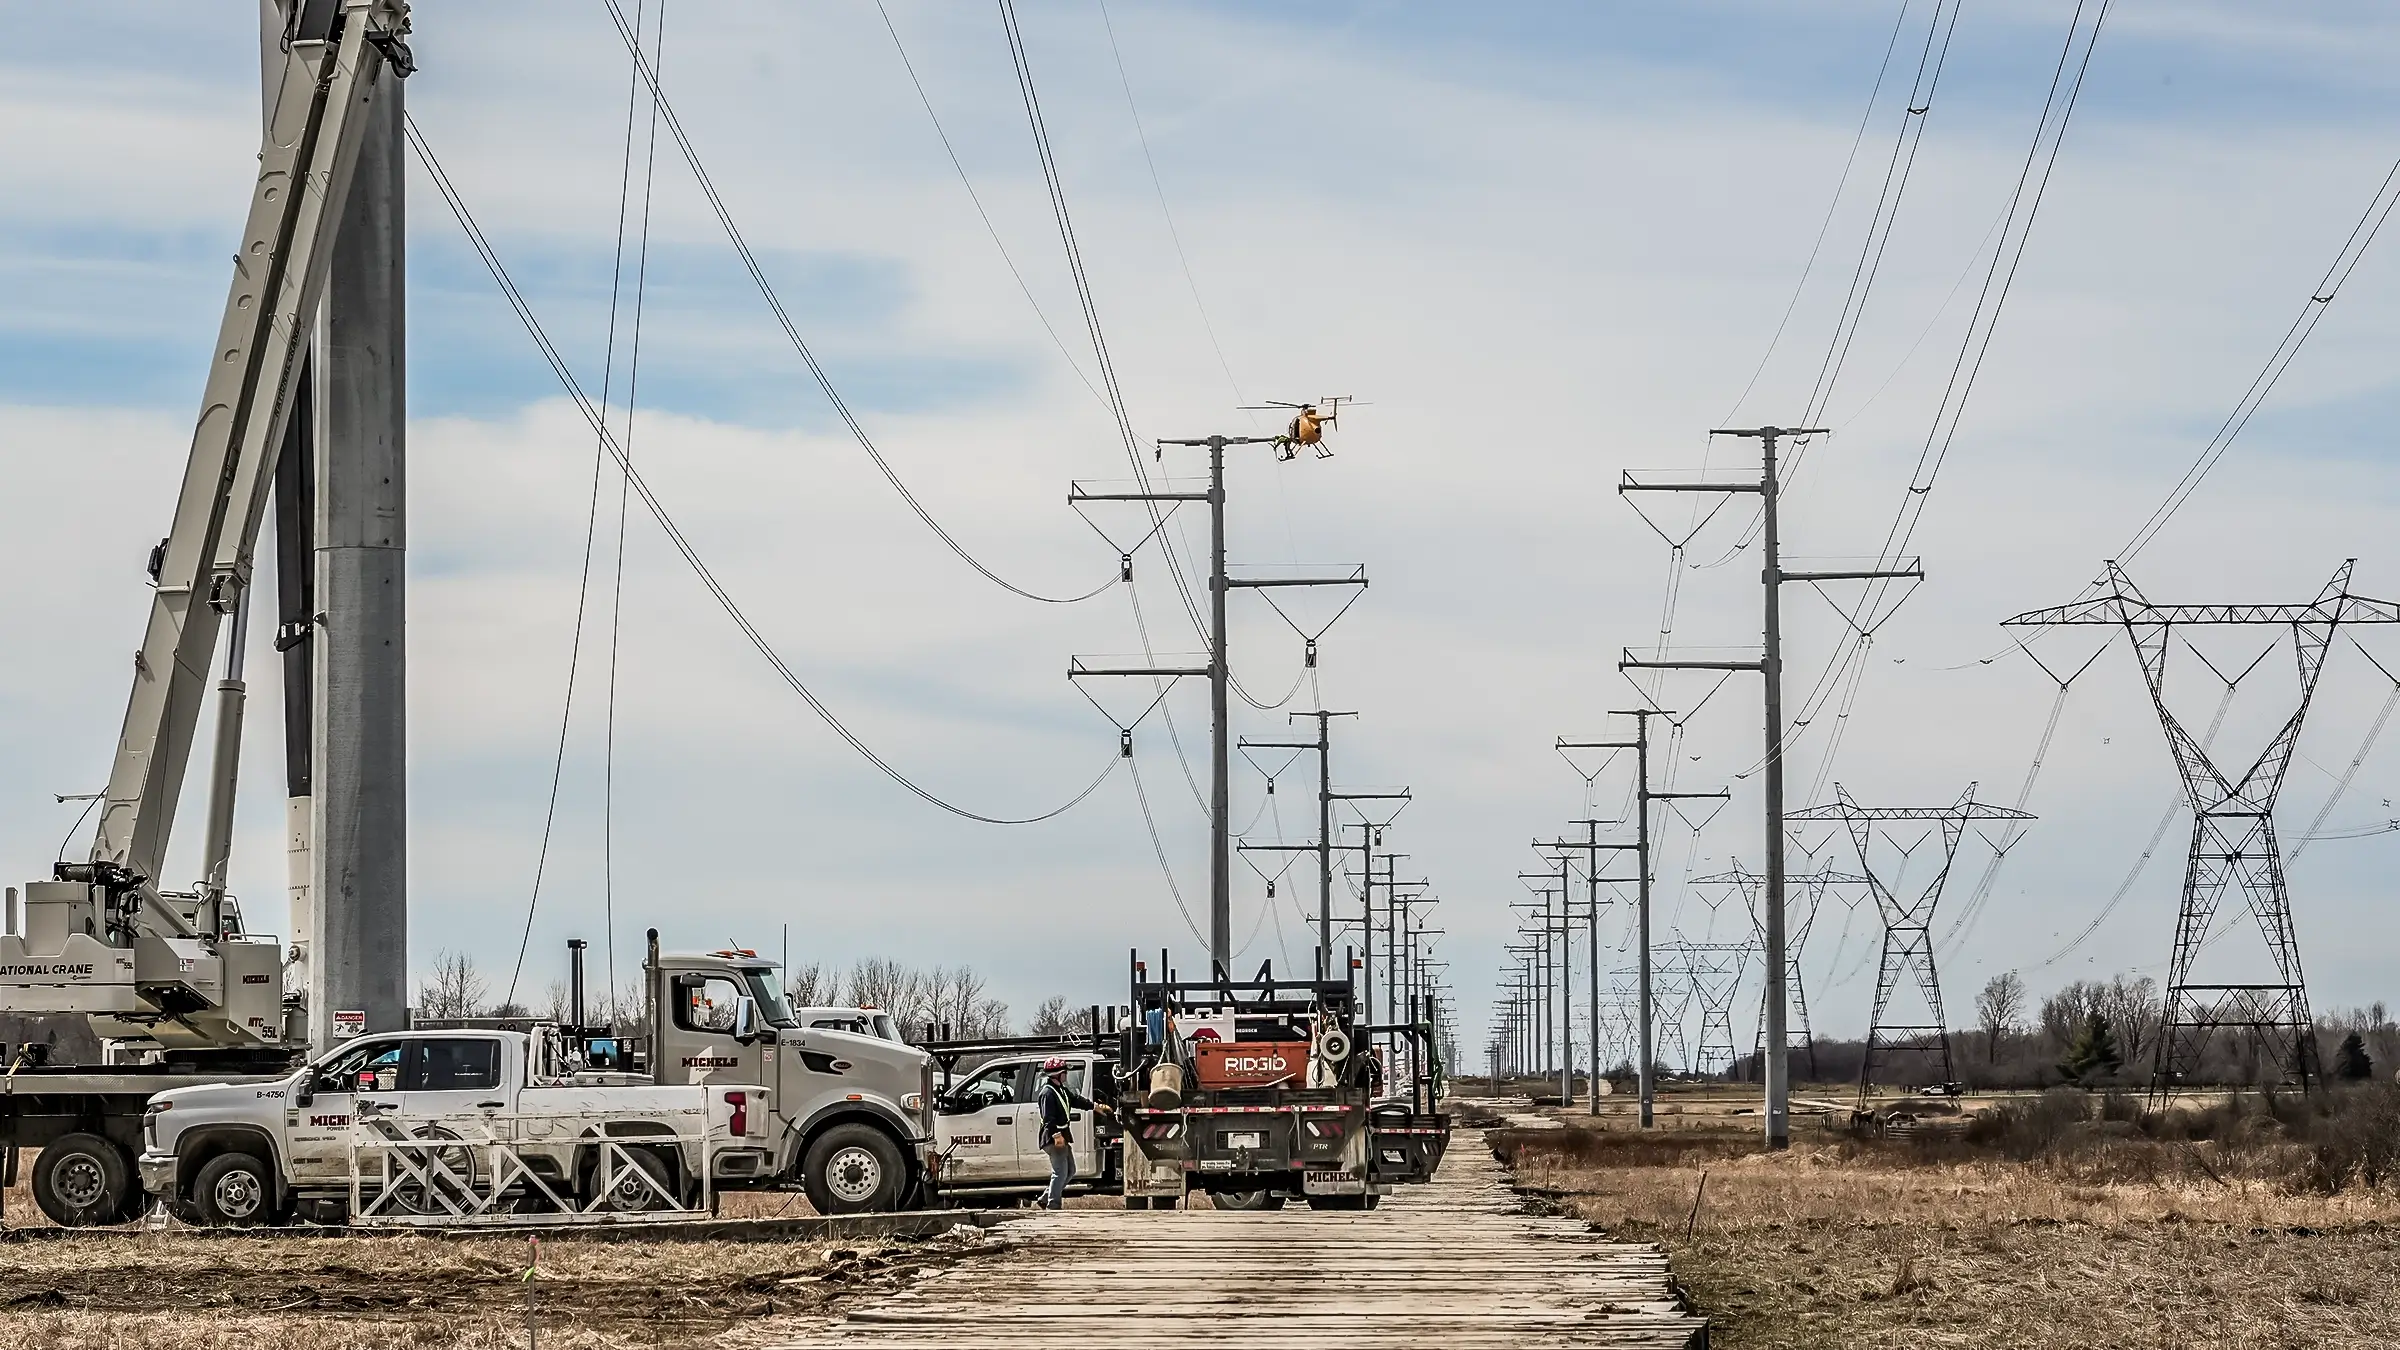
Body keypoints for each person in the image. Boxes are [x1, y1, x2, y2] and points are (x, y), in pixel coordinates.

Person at [1035, 1056, 1110, 1210]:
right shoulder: (1047, 1094)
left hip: (1062, 1136)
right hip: (1053, 1138)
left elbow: (1076, 1100)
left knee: (1070, 1170)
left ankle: (1045, 1198)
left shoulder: (1060, 1090)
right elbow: (1048, 1118)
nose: (1066, 1075)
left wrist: (1095, 1106)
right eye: (1064, 1072)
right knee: (1060, 1173)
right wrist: (1057, 1136)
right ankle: (1053, 1205)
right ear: (1057, 1075)